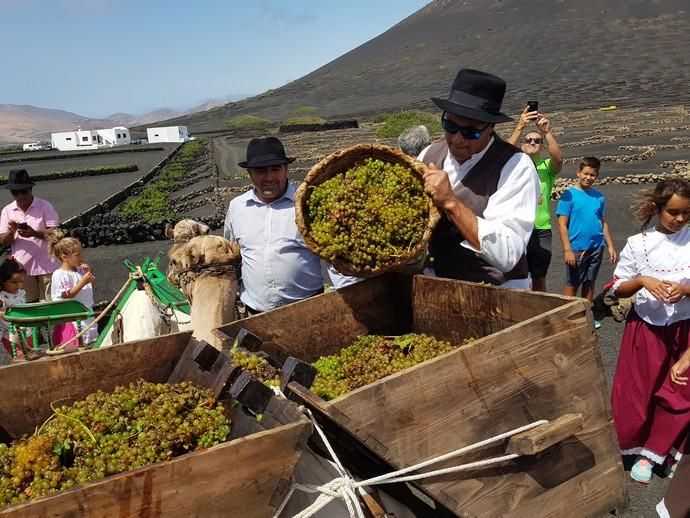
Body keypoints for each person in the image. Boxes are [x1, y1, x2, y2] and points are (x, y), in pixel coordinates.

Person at [418, 68, 540, 288]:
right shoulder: (428, 155)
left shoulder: (515, 166)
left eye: (470, 132)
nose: (456, 140)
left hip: (498, 293)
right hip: (437, 283)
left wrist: (451, 202)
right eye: (450, 126)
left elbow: (508, 254)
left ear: (491, 128)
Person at [609, 178, 690, 485]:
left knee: (678, 390)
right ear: (657, 209)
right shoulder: (638, 243)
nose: (680, 219)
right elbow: (618, 286)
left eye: (685, 213)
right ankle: (637, 446)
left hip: (684, 327)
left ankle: (660, 449)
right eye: (673, 212)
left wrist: (684, 289)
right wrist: (643, 281)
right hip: (646, 328)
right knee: (638, 390)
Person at [223, 137, 327, 314]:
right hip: (255, 314)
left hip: (309, 309)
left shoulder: (306, 204)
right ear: (250, 173)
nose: (269, 177)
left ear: (286, 170)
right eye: (261, 171)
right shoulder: (237, 208)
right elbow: (232, 254)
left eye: (275, 169)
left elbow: (332, 257)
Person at [506, 106, 564, 291]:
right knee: (514, 277)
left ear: (541, 145)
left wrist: (546, 132)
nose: (532, 142)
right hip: (516, 228)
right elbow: (503, 153)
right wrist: (520, 126)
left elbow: (559, 159)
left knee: (539, 278)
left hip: (540, 229)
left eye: (537, 141)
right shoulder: (513, 166)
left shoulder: (546, 167)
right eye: (528, 140)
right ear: (522, 144)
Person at [555, 157, 616, 322]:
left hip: (596, 246)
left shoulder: (599, 197)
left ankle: (586, 316)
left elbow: (603, 222)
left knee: (590, 281)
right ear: (578, 173)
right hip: (577, 248)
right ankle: (567, 317)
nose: (588, 177)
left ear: (597, 176)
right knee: (573, 283)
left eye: (592, 175)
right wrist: (567, 249)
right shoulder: (569, 196)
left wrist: (610, 245)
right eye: (585, 173)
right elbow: (561, 224)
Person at [0, 169, 59, 302]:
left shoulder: (44, 206)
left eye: (23, 191)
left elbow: (55, 234)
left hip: (48, 264)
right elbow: (3, 241)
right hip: (22, 269)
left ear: (30, 189)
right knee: (29, 305)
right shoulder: (7, 211)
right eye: (15, 192)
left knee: (53, 302)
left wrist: (34, 233)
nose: (20, 196)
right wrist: (12, 231)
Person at [47, 231, 97, 348]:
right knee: (75, 345)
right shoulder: (59, 274)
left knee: (90, 342)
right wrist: (82, 282)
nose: (81, 258)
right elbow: (66, 295)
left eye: (81, 254)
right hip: (71, 319)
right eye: (77, 255)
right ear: (64, 257)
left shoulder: (79, 271)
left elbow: (91, 287)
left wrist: (89, 274)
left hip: (86, 313)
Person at [0, 257, 27, 358]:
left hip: (25, 331)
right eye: (14, 282)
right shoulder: (2, 297)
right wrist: (3, 314)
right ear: (3, 281)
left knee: (31, 356)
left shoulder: (21, 293)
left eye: (21, 281)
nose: (19, 285)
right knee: (21, 358)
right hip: (10, 335)